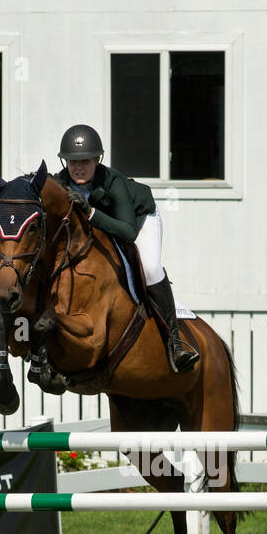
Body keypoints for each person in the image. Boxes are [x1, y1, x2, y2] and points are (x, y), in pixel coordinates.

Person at [56, 124, 199, 373]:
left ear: (97, 160)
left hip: (139, 220)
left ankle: (175, 343)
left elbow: (127, 232)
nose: (78, 167)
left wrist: (89, 212)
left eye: (86, 161)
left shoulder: (114, 183)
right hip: (102, 226)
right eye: (72, 162)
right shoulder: (60, 183)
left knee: (151, 268)